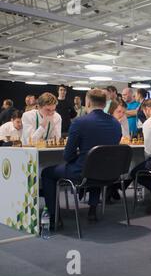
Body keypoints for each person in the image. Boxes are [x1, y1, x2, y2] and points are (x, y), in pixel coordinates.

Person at [41, 89, 122, 227]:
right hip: (109, 173)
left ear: (88, 102)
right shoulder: (116, 124)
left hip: (83, 172)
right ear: (105, 103)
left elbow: (67, 155)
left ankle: (54, 218)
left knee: (47, 173)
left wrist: (78, 157)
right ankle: (92, 210)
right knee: (97, 165)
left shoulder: (80, 122)